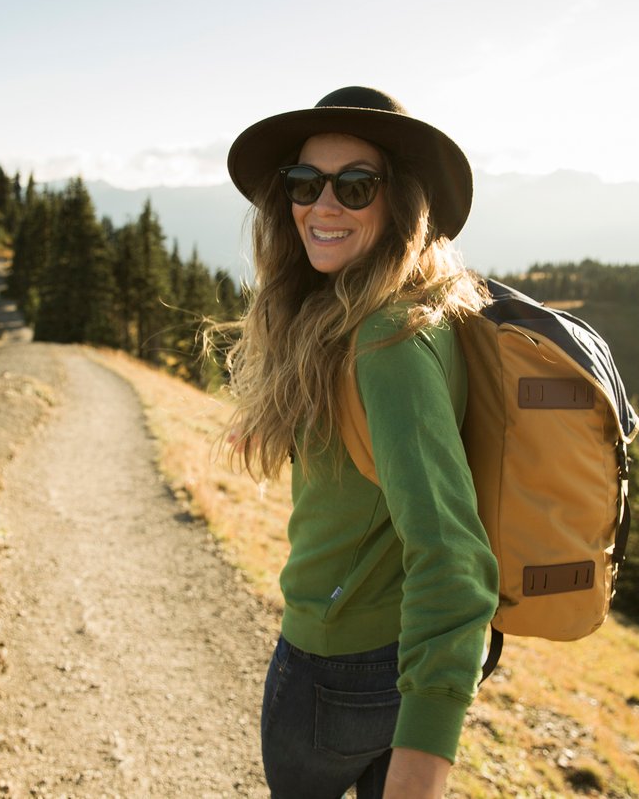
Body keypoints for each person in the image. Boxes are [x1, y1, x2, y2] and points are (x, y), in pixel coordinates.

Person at [223, 86, 499, 798]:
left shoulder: (385, 341)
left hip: (334, 666)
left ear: (399, 201)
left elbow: (452, 553)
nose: (323, 207)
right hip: (387, 658)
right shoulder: (416, 310)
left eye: (354, 185)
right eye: (305, 184)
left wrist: (425, 761)